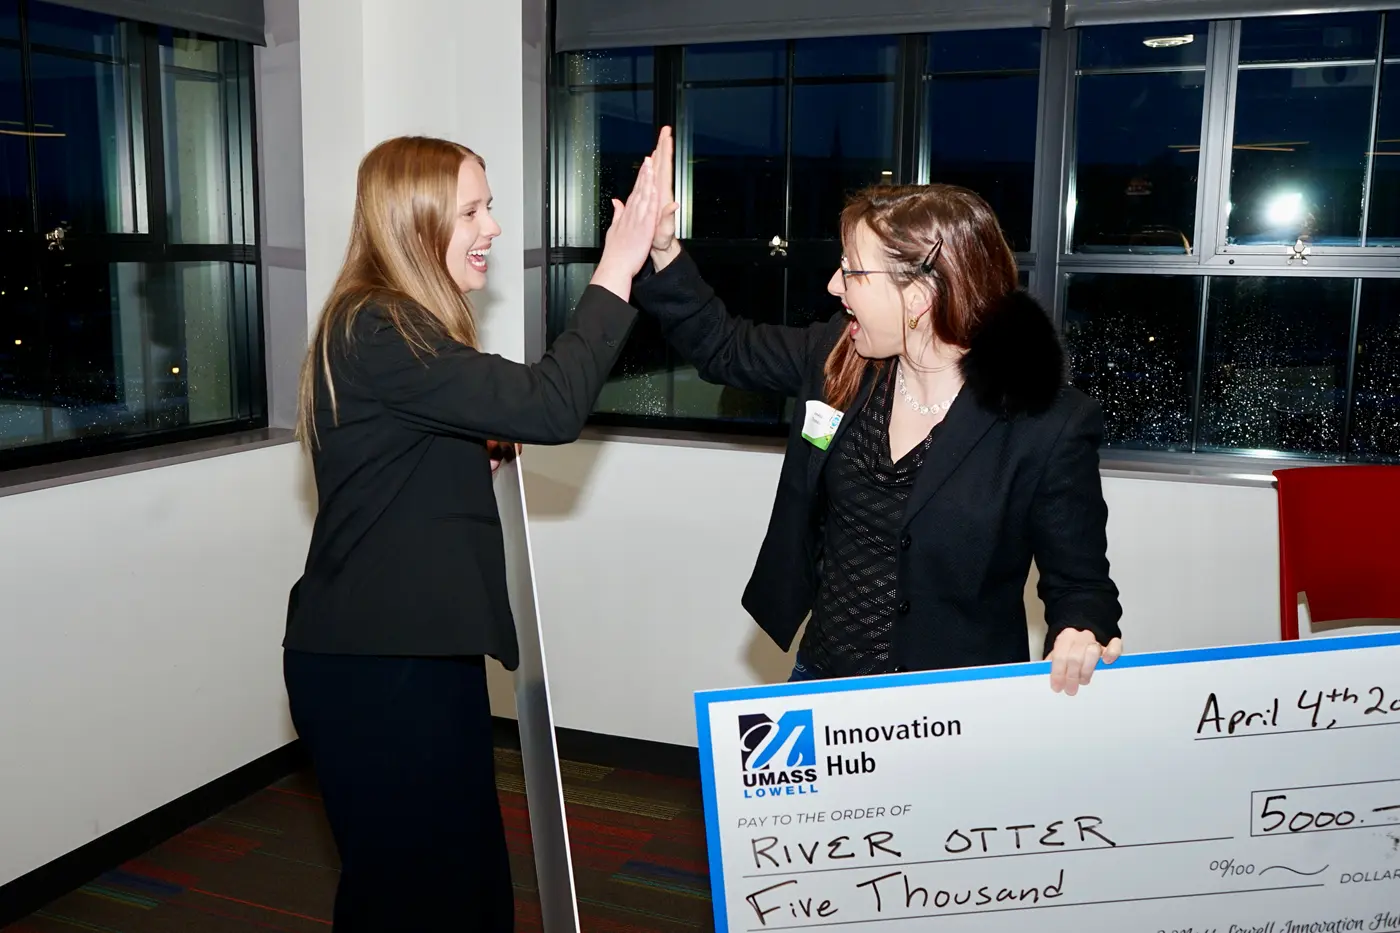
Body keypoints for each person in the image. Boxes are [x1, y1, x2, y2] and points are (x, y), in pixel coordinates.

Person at [281, 133, 664, 931]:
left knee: (461, 888)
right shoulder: (380, 328)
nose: (491, 226)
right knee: (411, 895)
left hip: (411, 652)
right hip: (376, 669)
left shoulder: (395, 328)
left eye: (488, 205)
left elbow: (396, 458)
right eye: (471, 210)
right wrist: (616, 267)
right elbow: (550, 403)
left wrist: (464, 449)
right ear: (416, 223)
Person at [632, 127, 1123, 694]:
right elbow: (722, 344)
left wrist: (1078, 631)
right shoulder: (837, 356)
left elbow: (1081, 586)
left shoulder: (1047, 423)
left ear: (918, 297)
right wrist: (664, 248)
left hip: (949, 711)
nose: (834, 284)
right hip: (822, 679)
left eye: (853, 272)